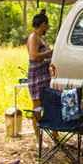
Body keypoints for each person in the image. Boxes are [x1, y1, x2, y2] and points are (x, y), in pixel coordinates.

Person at [26, 11, 54, 151]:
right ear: (42, 24)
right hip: (36, 75)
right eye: (47, 27)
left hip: (45, 74)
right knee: (37, 107)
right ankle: (38, 139)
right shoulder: (33, 37)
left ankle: (55, 135)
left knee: (48, 104)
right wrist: (50, 52)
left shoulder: (41, 38)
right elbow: (34, 55)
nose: (46, 30)